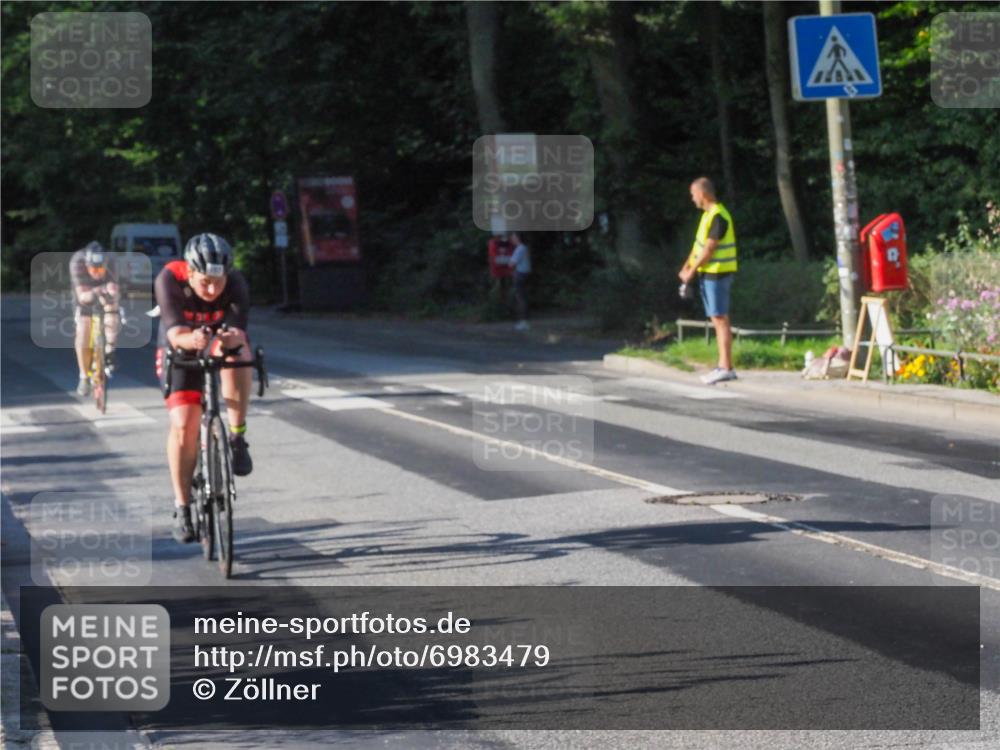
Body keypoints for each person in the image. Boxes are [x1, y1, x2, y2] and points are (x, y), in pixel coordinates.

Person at [154, 233, 254, 544]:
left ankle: (237, 437)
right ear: (190, 272)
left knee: (240, 353)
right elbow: (175, 334)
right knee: (185, 424)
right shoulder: (169, 279)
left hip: (218, 338)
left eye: (218, 282)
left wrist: (228, 340)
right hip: (182, 343)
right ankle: (183, 506)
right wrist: (192, 339)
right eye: (204, 283)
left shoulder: (236, 282)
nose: (212, 290)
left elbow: (238, 331)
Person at [678, 177, 738, 384]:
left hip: (718, 273)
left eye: (693, 194)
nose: (692, 198)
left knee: (720, 320)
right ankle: (723, 366)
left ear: (702, 194)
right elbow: (698, 247)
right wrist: (686, 267)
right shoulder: (707, 216)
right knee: (717, 319)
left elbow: (709, 250)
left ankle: (726, 367)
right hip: (710, 274)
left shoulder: (718, 216)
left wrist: (691, 272)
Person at [70, 241, 121, 396]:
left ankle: (110, 350)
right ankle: (84, 376)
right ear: (87, 265)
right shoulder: (77, 262)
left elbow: (115, 289)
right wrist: (98, 290)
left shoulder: (111, 261)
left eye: (100, 269)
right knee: (83, 327)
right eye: (93, 269)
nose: (97, 273)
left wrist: (112, 292)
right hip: (85, 293)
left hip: (104, 290)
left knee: (113, 309)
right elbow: (83, 296)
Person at [507, 232, 531, 331]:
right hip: (524, 274)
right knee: (522, 297)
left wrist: (509, 261)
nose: (512, 239)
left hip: (520, 274)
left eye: (513, 237)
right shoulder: (524, 248)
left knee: (520, 298)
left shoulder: (519, 249)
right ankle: (523, 321)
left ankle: (523, 322)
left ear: (518, 238)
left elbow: (511, 263)